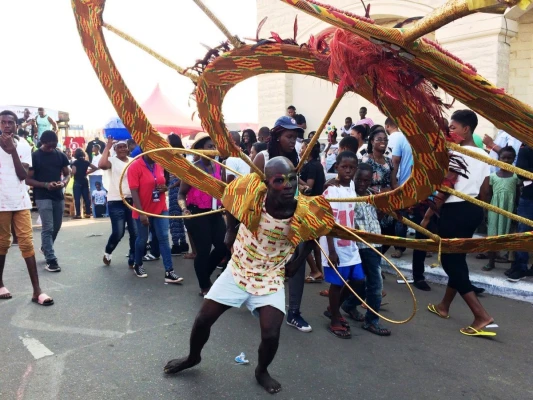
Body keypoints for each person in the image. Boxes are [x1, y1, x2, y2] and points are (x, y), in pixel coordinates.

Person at [164, 157, 332, 394]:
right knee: (203, 319)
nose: (287, 185)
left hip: (271, 276)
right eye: (279, 180)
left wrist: (299, 261)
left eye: (292, 179)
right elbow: (231, 198)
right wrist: (231, 230)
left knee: (272, 333)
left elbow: (313, 234)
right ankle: (193, 357)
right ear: (266, 182)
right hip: (239, 269)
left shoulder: (303, 209)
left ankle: (261, 370)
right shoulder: (253, 195)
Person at [425, 110, 495, 336]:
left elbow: (447, 185)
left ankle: (481, 315)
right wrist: (476, 212)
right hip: (473, 210)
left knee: (450, 261)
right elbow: (485, 191)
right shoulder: (484, 155)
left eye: (453, 128)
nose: (450, 132)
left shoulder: (455, 152)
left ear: (466, 129)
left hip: (455, 210)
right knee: (458, 259)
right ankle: (444, 306)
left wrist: (430, 211)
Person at [253, 116, 312, 333]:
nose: (292, 141)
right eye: (289, 136)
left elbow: (295, 181)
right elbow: (252, 190)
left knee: (298, 261)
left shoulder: (294, 158)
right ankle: (260, 301)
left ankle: (294, 312)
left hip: (293, 219)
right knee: (265, 264)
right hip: (266, 223)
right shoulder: (263, 157)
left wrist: (303, 187)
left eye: (295, 137)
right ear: (277, 137)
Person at [0, 110, 54, 305]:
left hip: (20, 201)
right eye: (3, 122)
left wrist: (12, 149)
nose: (7, 125)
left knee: (26, 243)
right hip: (1, 203)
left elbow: (23, 175)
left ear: (16, 125)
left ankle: (37, 291)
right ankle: (0, 284)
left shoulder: (23, 145)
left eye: (10, 122)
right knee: (2, 243)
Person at [341, 163, 390, 335]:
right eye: (359, 179)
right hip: (360, 245)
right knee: (374, 284)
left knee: (363, 282)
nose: (362, 183)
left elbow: (378, 217)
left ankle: (348, 305)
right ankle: (371, 321)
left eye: (366, 180)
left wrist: (384, 207)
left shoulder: (372, 196)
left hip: (375, 244)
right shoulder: (348, 197)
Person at [320, 151, 365, 339]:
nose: (348, 171)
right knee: (337, 284)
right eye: (344, 167)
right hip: (335, 245)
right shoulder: (331, 191)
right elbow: (327, 222)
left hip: (350, 244)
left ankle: (334, 308)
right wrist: (331, 251)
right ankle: (335, 319)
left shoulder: (351, 185)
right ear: (336, 167)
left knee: (358, 280)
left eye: (351, 167)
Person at [179, 134, 227, 295]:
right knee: (203, 251)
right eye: (209, 147)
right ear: (201, 150)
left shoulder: (219, 166)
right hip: (197, 215)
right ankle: (205, 286)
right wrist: (184, 209)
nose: (213, 150)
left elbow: (224, 189)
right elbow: (181, 195)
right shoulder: (192, 169)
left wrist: (226, 204)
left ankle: (205, 275)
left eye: (214, 146)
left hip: (216, 214)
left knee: (223, 247)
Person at [128, 149, 183, 283]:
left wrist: (165, 188)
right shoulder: (134, 166)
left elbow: (164, 180)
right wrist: (141, 213)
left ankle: (169, 272)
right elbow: (133, 191)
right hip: (143, 210)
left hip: (160, 207)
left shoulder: (159, 164)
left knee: (163, 238)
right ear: (145, 151)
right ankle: (138, 264)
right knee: (142, 239)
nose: (157, 155)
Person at [26, 130, 70, 273]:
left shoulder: (60, 155)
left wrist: (63, 183)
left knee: (56, 227)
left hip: (58, 195)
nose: (51, 148)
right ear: (42, 143)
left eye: (54, 145)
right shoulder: (35, 156)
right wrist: (45, 185)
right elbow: (28, 179)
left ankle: (45, 247)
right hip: (42, 195)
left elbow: (67, 173)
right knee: (48, 227)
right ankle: (51, 260)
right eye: (48, 146)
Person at [99, 138, 137, 268]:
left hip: (132, 200)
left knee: (135, 232)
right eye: (119, 147)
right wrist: (107, 146)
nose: (122, 149)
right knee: (118, 232)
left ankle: (133, 258)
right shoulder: (112, 161)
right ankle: (108, 252)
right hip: (116, 200)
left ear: (128, 148)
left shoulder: (133, 161)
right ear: (115, 150)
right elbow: (101, 165)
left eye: (124, 146)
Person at [482, 146, 520, 271]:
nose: (506, 160)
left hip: (510, 210)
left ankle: (512, 264)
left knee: (510, 236)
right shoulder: (493, 176)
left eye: (509, 158)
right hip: (495, 210)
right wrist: (486, 211)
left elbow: (518, 195)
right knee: (493, 236)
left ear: (514, 159)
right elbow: (488, 194)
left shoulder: (516, 177)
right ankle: (491, 261)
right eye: (503, 158)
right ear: (499, 158)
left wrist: (516, 210)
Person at [299, 140, 326, 283]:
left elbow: (309, 187)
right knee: (314, 242)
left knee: (302, 241)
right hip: (317, 206)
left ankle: (315, 270)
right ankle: (319, 271)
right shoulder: (317, 165)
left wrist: (296, 179)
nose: (301, 149)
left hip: (309, 207)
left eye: (303, 147)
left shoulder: (310, 166)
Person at [507, 144, 533, 281]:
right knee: (523, 232)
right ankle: (520, 267)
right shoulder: (526, 147)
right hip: (529, 197)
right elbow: (521, 172)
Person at [390, 127, 414, 259]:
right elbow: (395, 161)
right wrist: (394, 183)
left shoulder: (426, 138)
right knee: (401, 218)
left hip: (424, 186)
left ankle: (426, 247)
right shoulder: (402, 138)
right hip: (404, 185)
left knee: (423, 217)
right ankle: (399, 247)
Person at [167, 133, 189, 256]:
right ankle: (182, 243)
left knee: (174, 217)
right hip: (176, 186)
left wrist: (171, 186)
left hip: (175, 187)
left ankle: (176, 245)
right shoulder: (180, 154)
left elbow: (182, 176)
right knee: (178, 217)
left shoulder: (177, 155)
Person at [71, 148, 97, 219]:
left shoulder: (74, 162)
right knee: (86, 198)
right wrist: (87, 172)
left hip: (77, 181)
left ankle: (78, 214)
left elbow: (74, 172)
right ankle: (88, 213)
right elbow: (95, 168)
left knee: (77, 198)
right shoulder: (86, 162)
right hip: (85, 180)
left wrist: (70, 174)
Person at [88, 144, 105, 216]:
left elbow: (98, 167)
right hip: (93, 175)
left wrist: (89, 171)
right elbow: (93, 165)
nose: (92, 148)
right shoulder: (94, 156)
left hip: (99, 175)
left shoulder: (100, 157)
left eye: (93, 147)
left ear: (97, 148)